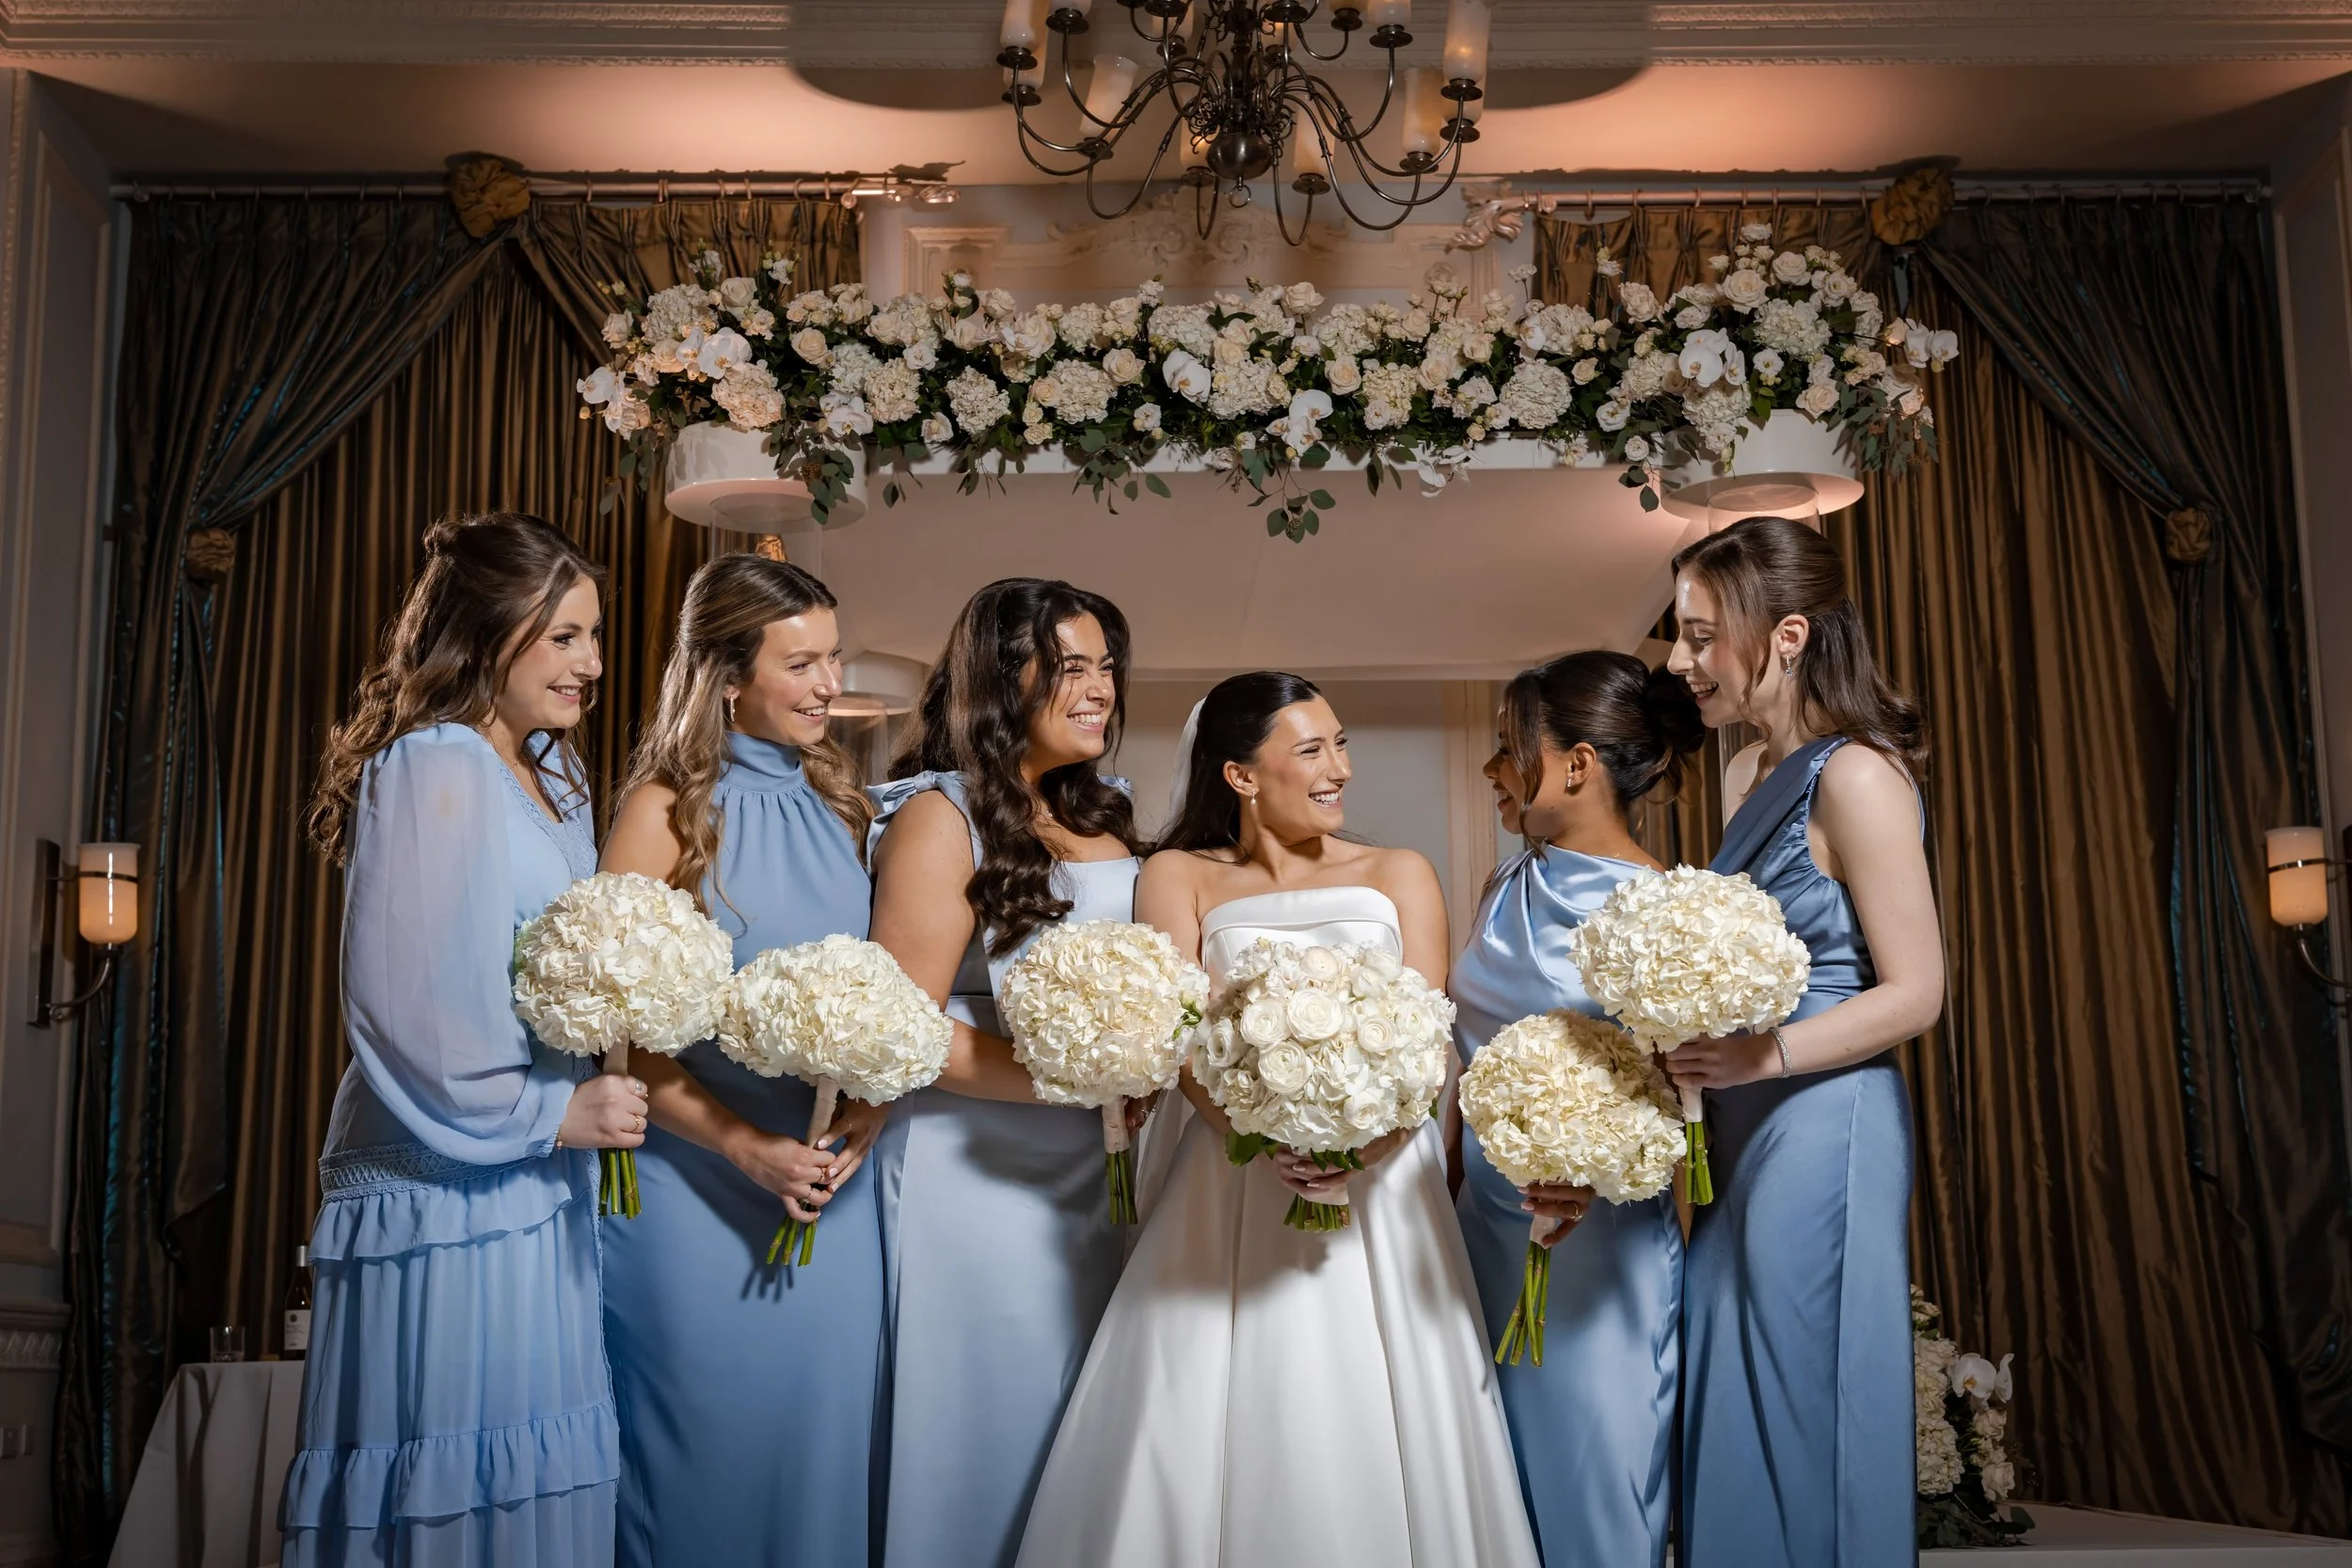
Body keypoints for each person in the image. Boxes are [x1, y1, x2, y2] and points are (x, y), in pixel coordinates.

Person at [1015, 672, 1540, 1568]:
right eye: (1312, 749)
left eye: (1341, 745)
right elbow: (1180, 1041)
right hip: (1232, 1177)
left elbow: (1428, 1041)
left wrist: (1361, 1150)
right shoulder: (1177, 876)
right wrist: (1255, 1136)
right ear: (1242, 776)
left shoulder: (1400, 872)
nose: (1339, 768)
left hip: (1385, 1187)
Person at [283, 513, 647, 1567]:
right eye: (565, 636)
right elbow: (411, 1000)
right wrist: (550, 1109)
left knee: (529, 1466)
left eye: (593, 635)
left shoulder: (557, 777)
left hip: (537, 1178)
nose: (592, 662)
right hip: (447, 1181)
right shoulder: (437, 761)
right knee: (451, 1475)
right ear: (488, 635)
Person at [1664, 515, 1946, 1568]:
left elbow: (1918, 991)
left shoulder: (1859, 774)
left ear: (1787, 635)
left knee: (1805, 1392)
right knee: (1730, 1381)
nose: (1679, 660)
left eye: (1701, 636)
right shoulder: (1745, 772)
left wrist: (1763, 1055)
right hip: (1741, 1114)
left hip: (1827, 1116)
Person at [596, 554, 884, 1566]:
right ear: (726, 676)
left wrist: (873, 1107)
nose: (829, 684)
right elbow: (614, 1038)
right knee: (695, 1469)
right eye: (801, 663)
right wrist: (743, 1146)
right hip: (691, 1189)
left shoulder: (849, 811)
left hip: (830, 1197)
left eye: (834, 657)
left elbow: (883, 1003)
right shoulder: (665, 813)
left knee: (821, 1457)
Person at [865, 578, 1147, 1568]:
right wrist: (1082, 1078)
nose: (1099, 689)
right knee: (993, 1419)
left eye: (1106, 667)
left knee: (1091, 1429)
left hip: (1100, 1167)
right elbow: (904, 1030)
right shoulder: (938, 817)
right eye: (1071, 668)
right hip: (975, 1173)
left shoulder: (1103, 813)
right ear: (1001, 678)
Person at [1450, 650, 1706, 1568]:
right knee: (1487, 1503)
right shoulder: (1501, 886)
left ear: (1576, 764)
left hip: (1599, 1245)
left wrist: (1599, 1170)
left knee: (1591, 1491)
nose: (1492, 767)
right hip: (1476, 1231)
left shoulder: (1665, 911)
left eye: (1509, 746)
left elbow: (1690, 1106)